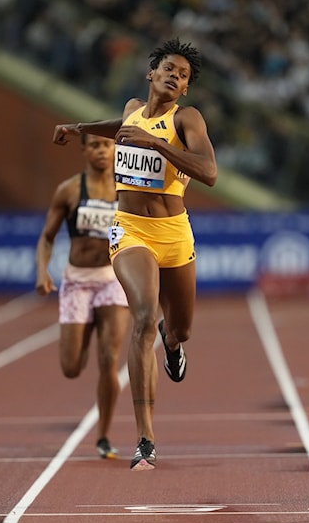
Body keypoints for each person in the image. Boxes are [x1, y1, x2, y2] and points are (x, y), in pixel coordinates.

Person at [51, 38, 218, 470]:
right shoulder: (130, 110)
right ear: (151, 74)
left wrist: (157, 144)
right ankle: (146, 438)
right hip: (130, 230)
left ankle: (173, 342)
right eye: (168, 68)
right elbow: (121, 128)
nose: (174, 76)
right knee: (144, 316)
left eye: (182, 75)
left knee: (178, 329)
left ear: (184, 91)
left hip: (174, 232)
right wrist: (81, 129)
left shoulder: (187, 119)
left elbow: (210, 173)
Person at [35, 132, 129, 460]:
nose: (102, 151)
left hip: (113, 279)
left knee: (110, 360)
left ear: (115, 148)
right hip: (77, 280)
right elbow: (47, 237)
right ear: (84, 150)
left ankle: (103, 434)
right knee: (72, 367)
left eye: (107, 145)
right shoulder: (70, 190)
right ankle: (84, 330)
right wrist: (42, 271)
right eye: (95, 145)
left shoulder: (127, 186)